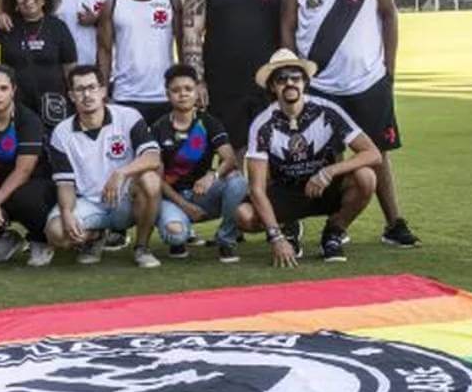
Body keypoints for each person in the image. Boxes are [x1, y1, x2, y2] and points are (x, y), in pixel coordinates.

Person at [280, 0, 421, 248]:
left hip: (367, 81)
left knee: (379, 152)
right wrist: (292, 76)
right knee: (320, 157)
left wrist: (390, 68)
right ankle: (328, 225)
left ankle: (394, 223)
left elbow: (389, 14)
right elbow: (287, 27)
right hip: (320, 85)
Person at [243, 49, 381, 265]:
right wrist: (275, 238)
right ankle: (288, 228)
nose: (289, 83)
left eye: (295, 77)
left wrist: (329, 171)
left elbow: (373, 153)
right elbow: (257, 189)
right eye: (281, 79)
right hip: (286, 192)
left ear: (305, 82)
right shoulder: (262, 125)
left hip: (323, 187)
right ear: (272, 86)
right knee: (244, 215)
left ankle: (334, 233)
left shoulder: (327, 111)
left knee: (367, 177)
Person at [180, 0, 288, 155]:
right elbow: (191, 36)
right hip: (224, 84)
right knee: (231, 154)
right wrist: (197, 81)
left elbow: (295, 26)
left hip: (269, 80)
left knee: (275, 151)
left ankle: (267, 195)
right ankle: (236, 194)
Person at [44, 65, 163, 268]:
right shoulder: (61, 133)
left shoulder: (128, 117)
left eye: (92, 87)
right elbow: (65, 185)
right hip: (89, 203)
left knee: (150, 180)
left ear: (103, 90)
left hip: (125, 201)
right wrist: (66, 213)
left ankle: (141, 247)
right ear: (72, 96)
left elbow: (153, 158)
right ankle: (94, 237)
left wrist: (121, 173)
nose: (87, 94)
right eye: (80, 90)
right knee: (56, 233)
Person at [151, 64, 250, 263]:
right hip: (173, 198)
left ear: (197, 91)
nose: (183, 94)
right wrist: (185, 206)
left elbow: (230, 159)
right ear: (168, 94)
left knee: (238, 181)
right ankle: (179, 236)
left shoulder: (209, 123)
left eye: (188, 89)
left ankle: (226, 240)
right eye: (176, 90)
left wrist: (212, 174)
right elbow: (156, 178)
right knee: (175, 234)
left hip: (202, 194)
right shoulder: (158, 128)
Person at [0, 65, 56, 267]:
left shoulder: (28, 120)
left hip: (38, 180)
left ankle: (40, 239)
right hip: (4, 178)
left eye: (3, 88)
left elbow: (24, 170)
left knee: (23, 199)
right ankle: (5, 236)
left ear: (13, 90)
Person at [97, 0, 182, 127]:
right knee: (128, 155)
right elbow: (104, 50)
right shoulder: (113, 2)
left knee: (166, 155)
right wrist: (102, 89)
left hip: (165, 94)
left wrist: (187, 85)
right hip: (125, 96)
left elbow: (182, 46)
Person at [0, 0, 78, 131]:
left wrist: (76, 105)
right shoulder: (4, 28)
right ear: (14, 0)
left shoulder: (58, 27)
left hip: (55, 110)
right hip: (17, 111)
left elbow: (70, 72)